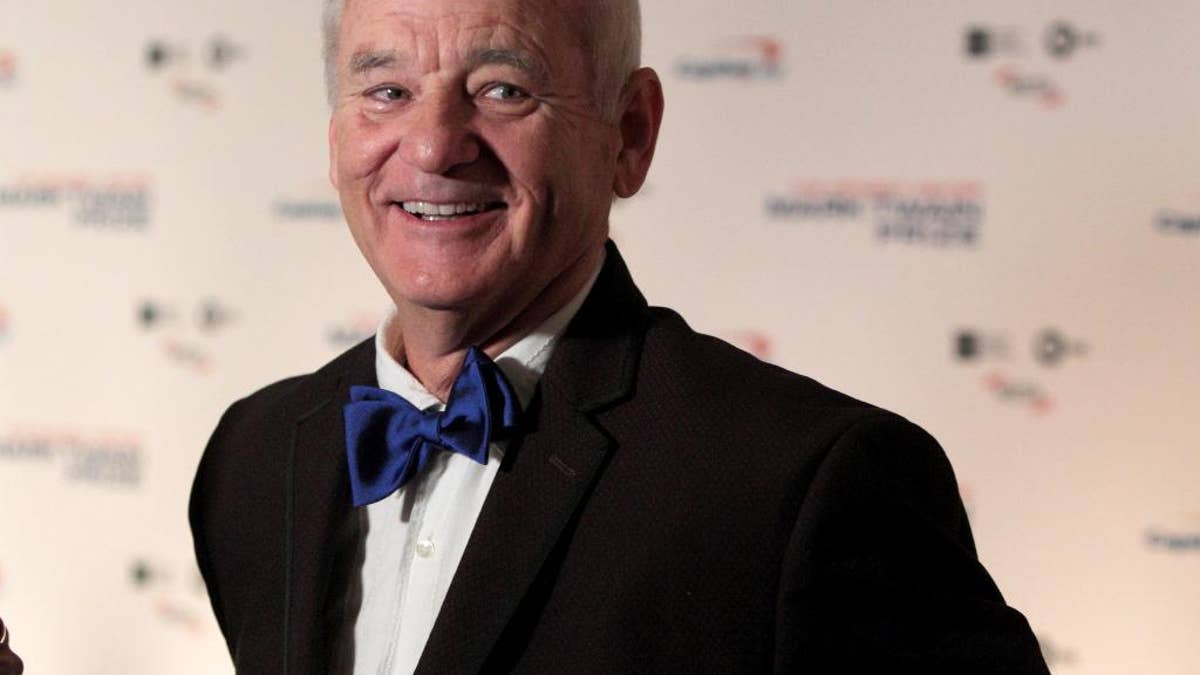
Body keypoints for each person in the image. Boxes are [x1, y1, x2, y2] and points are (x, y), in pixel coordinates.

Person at [190, 0, 1050, 672]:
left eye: (503, 88)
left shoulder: (809, 484)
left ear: (630, 133)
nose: (435, 144)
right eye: (387, 90)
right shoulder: (255, 458)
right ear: (337, 131)